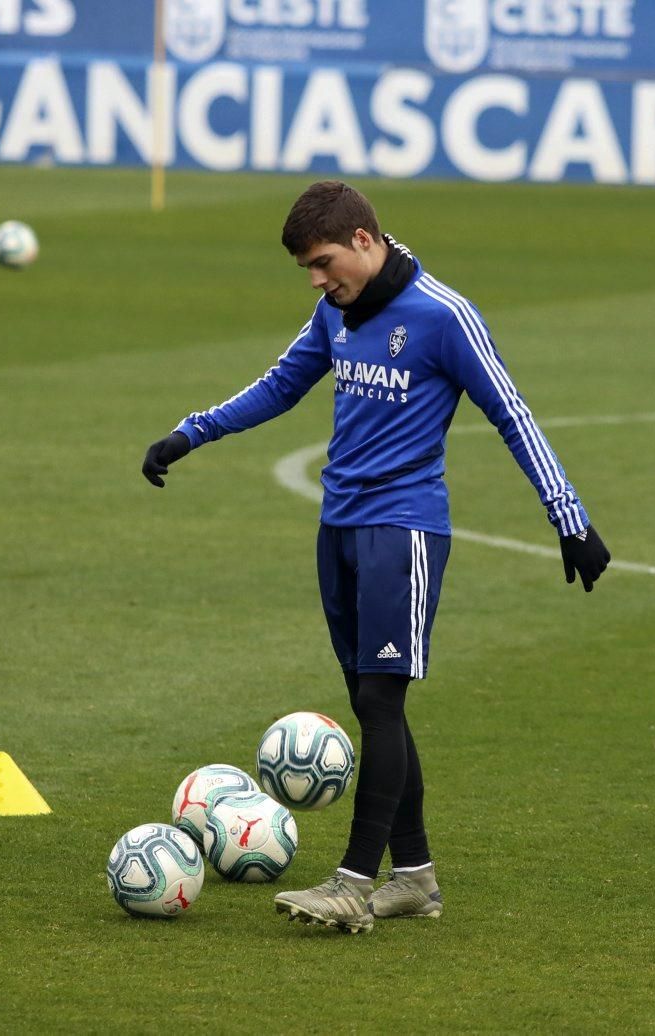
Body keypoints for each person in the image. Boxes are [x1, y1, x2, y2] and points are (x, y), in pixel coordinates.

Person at [142, 180, 610, 935]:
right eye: (309, 271)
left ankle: (355, 883)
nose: (319, 281)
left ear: (365, 239)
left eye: (324, 262)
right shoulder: (336, 312)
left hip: (406, 531)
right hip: (339, 529)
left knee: (383, 703)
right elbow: (281, 385)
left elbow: (512, 414)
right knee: (369, 702)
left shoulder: (443, 317)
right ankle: (416, 878)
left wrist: (570, 519)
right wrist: (191, 433)